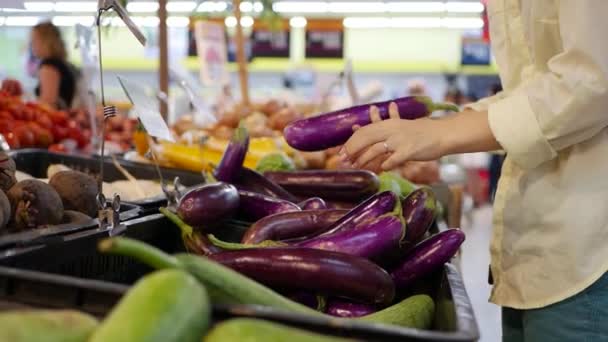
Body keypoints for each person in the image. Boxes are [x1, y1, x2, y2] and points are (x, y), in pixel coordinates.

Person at [339, 1, 608, 340]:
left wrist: (439, 134)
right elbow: (527, 93)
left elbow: (590, 84)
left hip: (589, 252)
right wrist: (429, 128)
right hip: (539, 250)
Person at [30, 22, 78, 109]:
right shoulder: (62, 63)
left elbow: (48, 103)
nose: (32, 44)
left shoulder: (49, 65)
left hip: (55, 118)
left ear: (45, 41)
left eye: (34, 40)